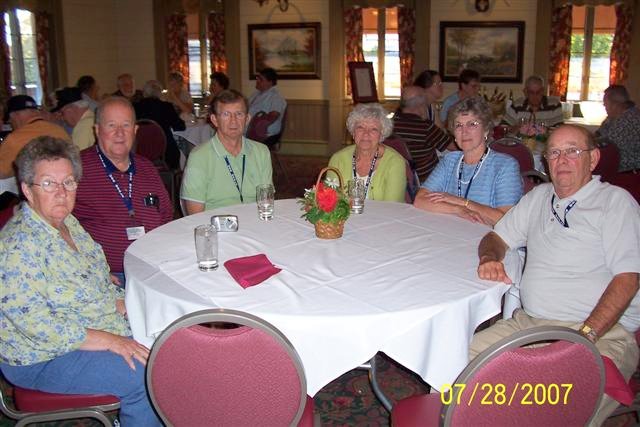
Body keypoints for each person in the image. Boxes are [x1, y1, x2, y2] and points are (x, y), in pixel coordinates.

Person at [473, 124, 640, 425]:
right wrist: (489, 257)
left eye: (572, 151)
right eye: (554, 152)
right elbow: (496, 237)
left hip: (600, 333)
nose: (562, 160)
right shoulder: (538, 197)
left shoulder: (614, 202)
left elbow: (628, 279)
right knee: (455, 366)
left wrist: (586, 336)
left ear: (593, 158)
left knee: (556, 407)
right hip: (529, 324)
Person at [0, 136, 161, 426]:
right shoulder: (16, 247)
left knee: (170, 333)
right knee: (146, 376)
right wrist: (111, 341)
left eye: (69, 182)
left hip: (91, 323)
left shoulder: (67, 223)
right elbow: (38, 326)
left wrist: (121, 301)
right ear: (27, 189)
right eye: (48, 183)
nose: (61, 193)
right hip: (42, 355)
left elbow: (96, 274)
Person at [73, 97, 172, 285]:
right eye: (111, 125)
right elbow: (58, 227)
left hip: (153, 269)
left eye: (126, 125)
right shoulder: (77, 169)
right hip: (107, 277)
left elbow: (166, 217)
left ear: (135, 131)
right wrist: (90, 270)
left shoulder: (147, 168)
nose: (119, 133)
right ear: (97, 130)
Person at [414, 97, 522, 226]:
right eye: (458, 125)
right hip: (451, 231)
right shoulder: (449, 161)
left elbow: (506, 220)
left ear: (486, 130)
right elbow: (420, 200)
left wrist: (462, 202)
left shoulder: (505, 166)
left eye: (472, 124)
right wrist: (458, 209)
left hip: (488, 236)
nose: (464, 132)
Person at [181, 89, 272, 213]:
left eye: (239, 114)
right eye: (226, 114)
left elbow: (266, 201)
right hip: (215, 222)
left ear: (247, 119)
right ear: (214, 120)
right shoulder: (199, 156)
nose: (233, 121)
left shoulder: (261, 152)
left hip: (254, 220)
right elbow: (195, 214)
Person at [329, 103, 406, 202]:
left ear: (381, 135)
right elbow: (329, 200)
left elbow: (392, 206)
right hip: (347, 212)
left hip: (383, 212)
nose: (366, 133)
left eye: (374, 129)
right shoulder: (338, 159)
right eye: (360, 127)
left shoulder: (395, 162)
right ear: (353, 132)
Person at [393, 85, 456, 183]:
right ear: (420, 105)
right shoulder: (425, 127)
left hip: (400, 178)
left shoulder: (391, 124)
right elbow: (453, 147)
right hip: (427, 180)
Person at [0, 95, 70, 179]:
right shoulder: (60, 131)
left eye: (10, 120)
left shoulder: (15, 139)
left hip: (38, 184)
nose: (11, 123)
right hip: (65, 181)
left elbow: (2, 173)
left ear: (15, 115)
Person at [134, 80, 186, 170]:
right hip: (165, 153)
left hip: (138, 151)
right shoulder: (166, 107)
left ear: (144, 93)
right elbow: (181, 126)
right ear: (159, 93)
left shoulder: (135, 107)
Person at [597, 84, 640, 172]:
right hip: (617, 168)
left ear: (615, 104)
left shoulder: (628, 120)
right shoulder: (613, 117)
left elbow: (606, 146)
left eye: (605, 103)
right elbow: (598, 134)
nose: (604, 106)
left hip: (630, 172)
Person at [247, 67, 287, 142]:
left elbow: (274, 115)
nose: (257, 81)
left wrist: (256, 125)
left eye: (261, 79)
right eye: (257, 78)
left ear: (270, 82)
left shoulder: (275, 97)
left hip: (263, 131)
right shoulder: (255, 94)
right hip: (249, 126)